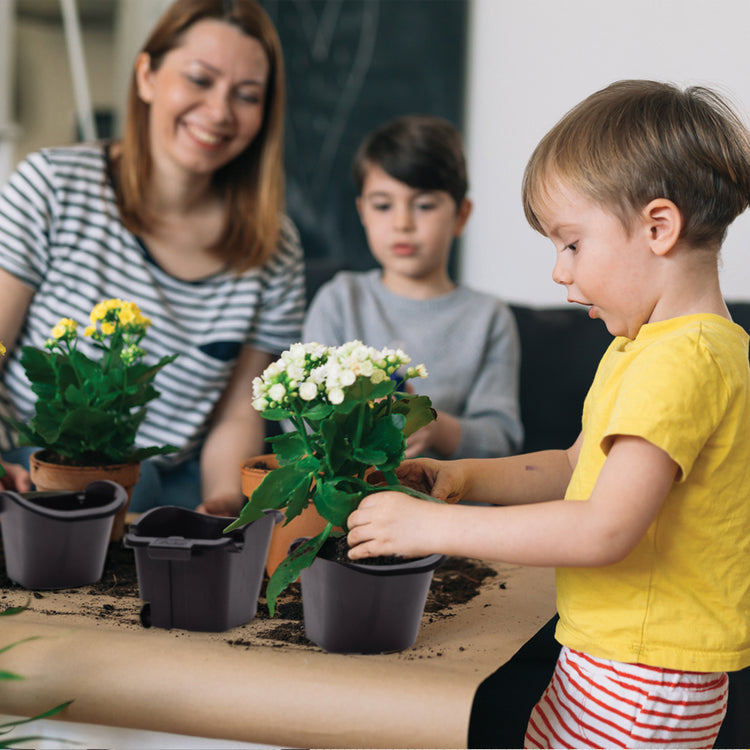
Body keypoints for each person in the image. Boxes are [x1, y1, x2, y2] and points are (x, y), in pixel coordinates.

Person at [346, 80, 750, 748]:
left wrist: (433, 526)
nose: (560, 274)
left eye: (571, 244)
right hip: (619, 659)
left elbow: (601, 530)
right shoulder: (649, 347)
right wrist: (463, 479)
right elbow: (573, 466)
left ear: (658, 227)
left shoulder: (684, 362)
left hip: (643, 676)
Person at [0, 0, 305, 513]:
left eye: (247, 95)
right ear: (147, 76)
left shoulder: (274, 247)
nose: (219, 112)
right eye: (200, 79)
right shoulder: (51, 185)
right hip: (32, 474)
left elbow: (237, 415)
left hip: (170, 490)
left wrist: (226, 503)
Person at [303, 115, 523, 460]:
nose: (402, 223)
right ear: (363, 212)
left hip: (447, 505)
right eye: (383, 205)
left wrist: (436, 428)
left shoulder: (488, 318)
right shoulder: (340, 300)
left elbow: (502, 438)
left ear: (461, 215)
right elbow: (300, 419)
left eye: (423, 205)